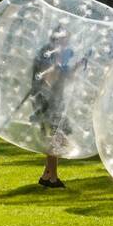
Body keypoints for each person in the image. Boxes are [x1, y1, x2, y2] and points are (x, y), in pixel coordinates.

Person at [25, 24, 83, 189]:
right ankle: (53, 178)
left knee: (57, 137)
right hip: (46, 101)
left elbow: (66, 77)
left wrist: (77, 65)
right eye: (66, 39)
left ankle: (47, 175)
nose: (68, 42)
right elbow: (47, 80)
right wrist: (57, 65)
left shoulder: (60, 54)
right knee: (57, 138)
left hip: (57, 100)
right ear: (59, 38)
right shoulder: (48, 53)